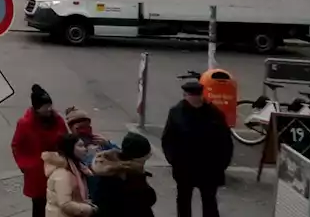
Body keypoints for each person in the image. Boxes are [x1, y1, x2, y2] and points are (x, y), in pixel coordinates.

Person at [161, 80, 231, 217]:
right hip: (184, 166)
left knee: (209, 201)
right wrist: (173, 160)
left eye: (195, 96)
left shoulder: (214, 114)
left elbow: (225, 141)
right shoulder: (176, 112)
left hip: (209, 167)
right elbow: (168, 139)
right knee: (183, 200)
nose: (192, 99)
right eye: (189, 96)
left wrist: (222, 164)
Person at [12, 84, 69, 217]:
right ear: (37, 108)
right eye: (46, 106)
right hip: (37, 173)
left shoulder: (57, 120)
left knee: (57, 204)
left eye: (50, 105)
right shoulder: (25, 123)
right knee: (39, 206)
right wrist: (25, 166)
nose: (50, 109)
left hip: (56, 169)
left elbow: (66, 139)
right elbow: (16, 146)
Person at [91, 133, 157, 217]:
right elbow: (148, 199)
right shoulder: (130, 176)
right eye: (146, 157)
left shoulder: (108, 169)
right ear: (139, 158)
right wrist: (141, 175)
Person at [63, 107, 118, 195]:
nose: (84, 131)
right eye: (79, 128)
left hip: (106, 189)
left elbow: (121, 156)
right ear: (71, 129)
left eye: (87, 127)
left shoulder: (99, 141)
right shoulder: (69, 145)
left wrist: (107, 144)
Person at [43, 134, 96, 217]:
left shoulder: (78, 168)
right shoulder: (63, 173)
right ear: (70, 148)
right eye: (80, 146)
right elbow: (66, 204)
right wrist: (90, 209)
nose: (85, 149)